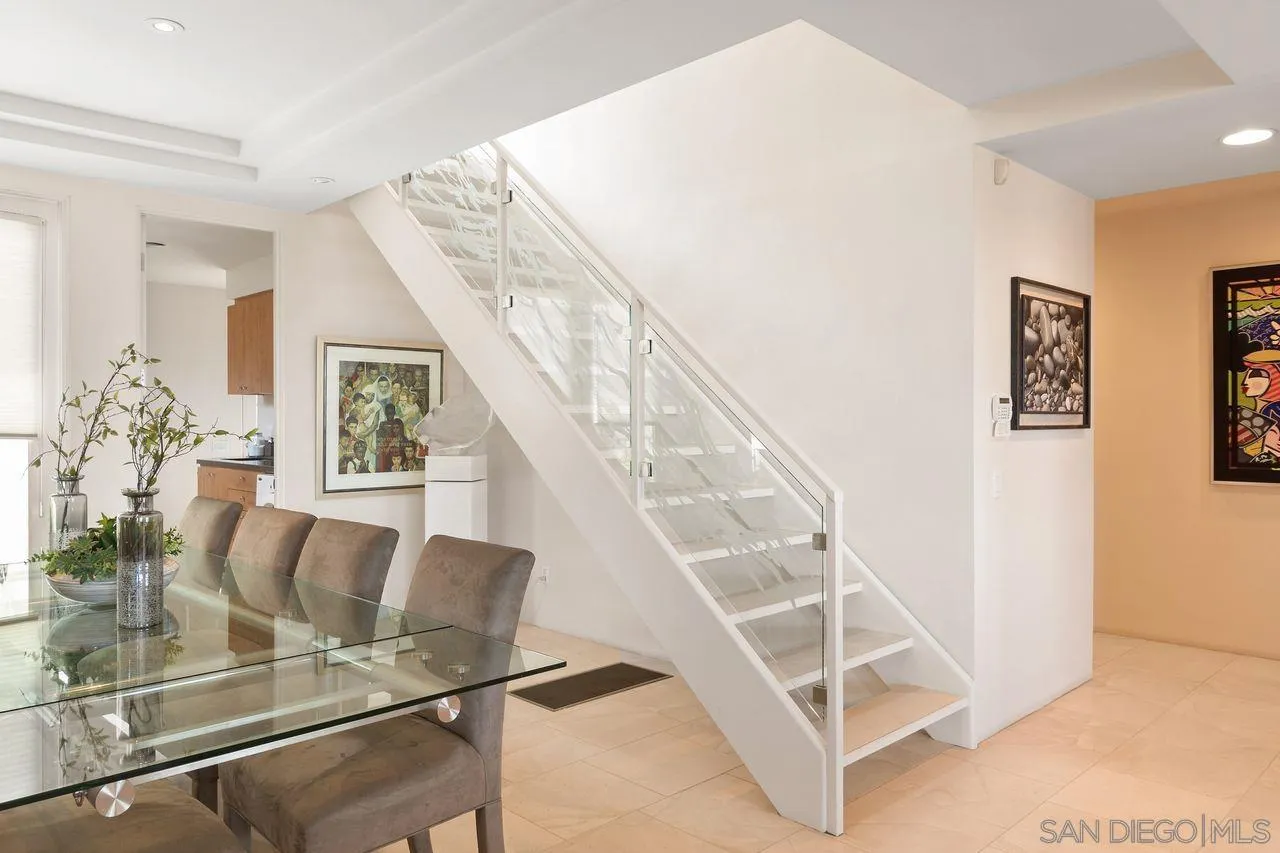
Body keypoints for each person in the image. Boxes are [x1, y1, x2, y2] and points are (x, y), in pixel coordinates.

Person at [376, 403, 406, 470]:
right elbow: (380, 437)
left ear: (394, 413)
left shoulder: (397, 422)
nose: (389, 414)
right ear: (385, 413)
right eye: (388, 413)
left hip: (396, 449)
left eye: (391, 413)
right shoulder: (382, 424)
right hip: (385, 448)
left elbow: (401, 436)